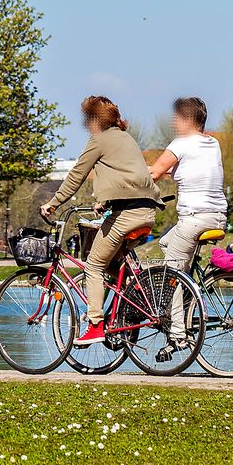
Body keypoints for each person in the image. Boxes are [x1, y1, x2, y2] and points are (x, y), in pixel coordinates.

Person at [42, 95, 163, 347]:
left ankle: (95, 325)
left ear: (95, 119)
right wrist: (106, 201)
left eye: (87, 119)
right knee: (113, 265)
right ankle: (133, 296)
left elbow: (76, 175)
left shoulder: (99, 140)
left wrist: (53, 203)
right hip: (147, 210)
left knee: (93, 265)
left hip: (126, 214)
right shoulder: (125, 138)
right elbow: (127, 176)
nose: (85, 124)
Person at [149, 96, 227, 343]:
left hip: (194, 218)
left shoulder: (181, 143)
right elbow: (194, 169)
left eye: (176, 119)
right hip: (217, 217)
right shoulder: (213, 143)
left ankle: (178, 335)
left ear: (185, 120)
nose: (173, 124)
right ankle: (189, 290)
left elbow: (155, 172)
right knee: (165, 243)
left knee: (171, 276)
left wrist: (125, 184)